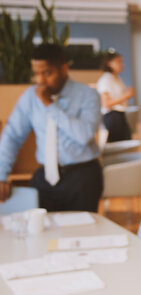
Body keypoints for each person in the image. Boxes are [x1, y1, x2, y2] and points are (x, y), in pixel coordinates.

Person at [0, 43, 103, 212]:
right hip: (45, 177)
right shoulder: (30, 97)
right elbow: (12, 135)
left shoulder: (88, 95)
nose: (40, 80)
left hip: (82, 176)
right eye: (36, 74)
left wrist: (49, 105)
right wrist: (1, 174)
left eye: (47, 73)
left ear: (63, 69)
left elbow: (84, 135)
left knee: (83, 233)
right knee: (43, 232)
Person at [96, 51, 134, 142]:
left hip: (120, 115)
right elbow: (106, 104)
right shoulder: (106, 80)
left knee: (126, 143)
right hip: (112, 117)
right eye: (118, 62)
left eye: (121, 62)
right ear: (109, 63)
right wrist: (126, 96)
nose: (121, 64)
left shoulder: (117, 78)